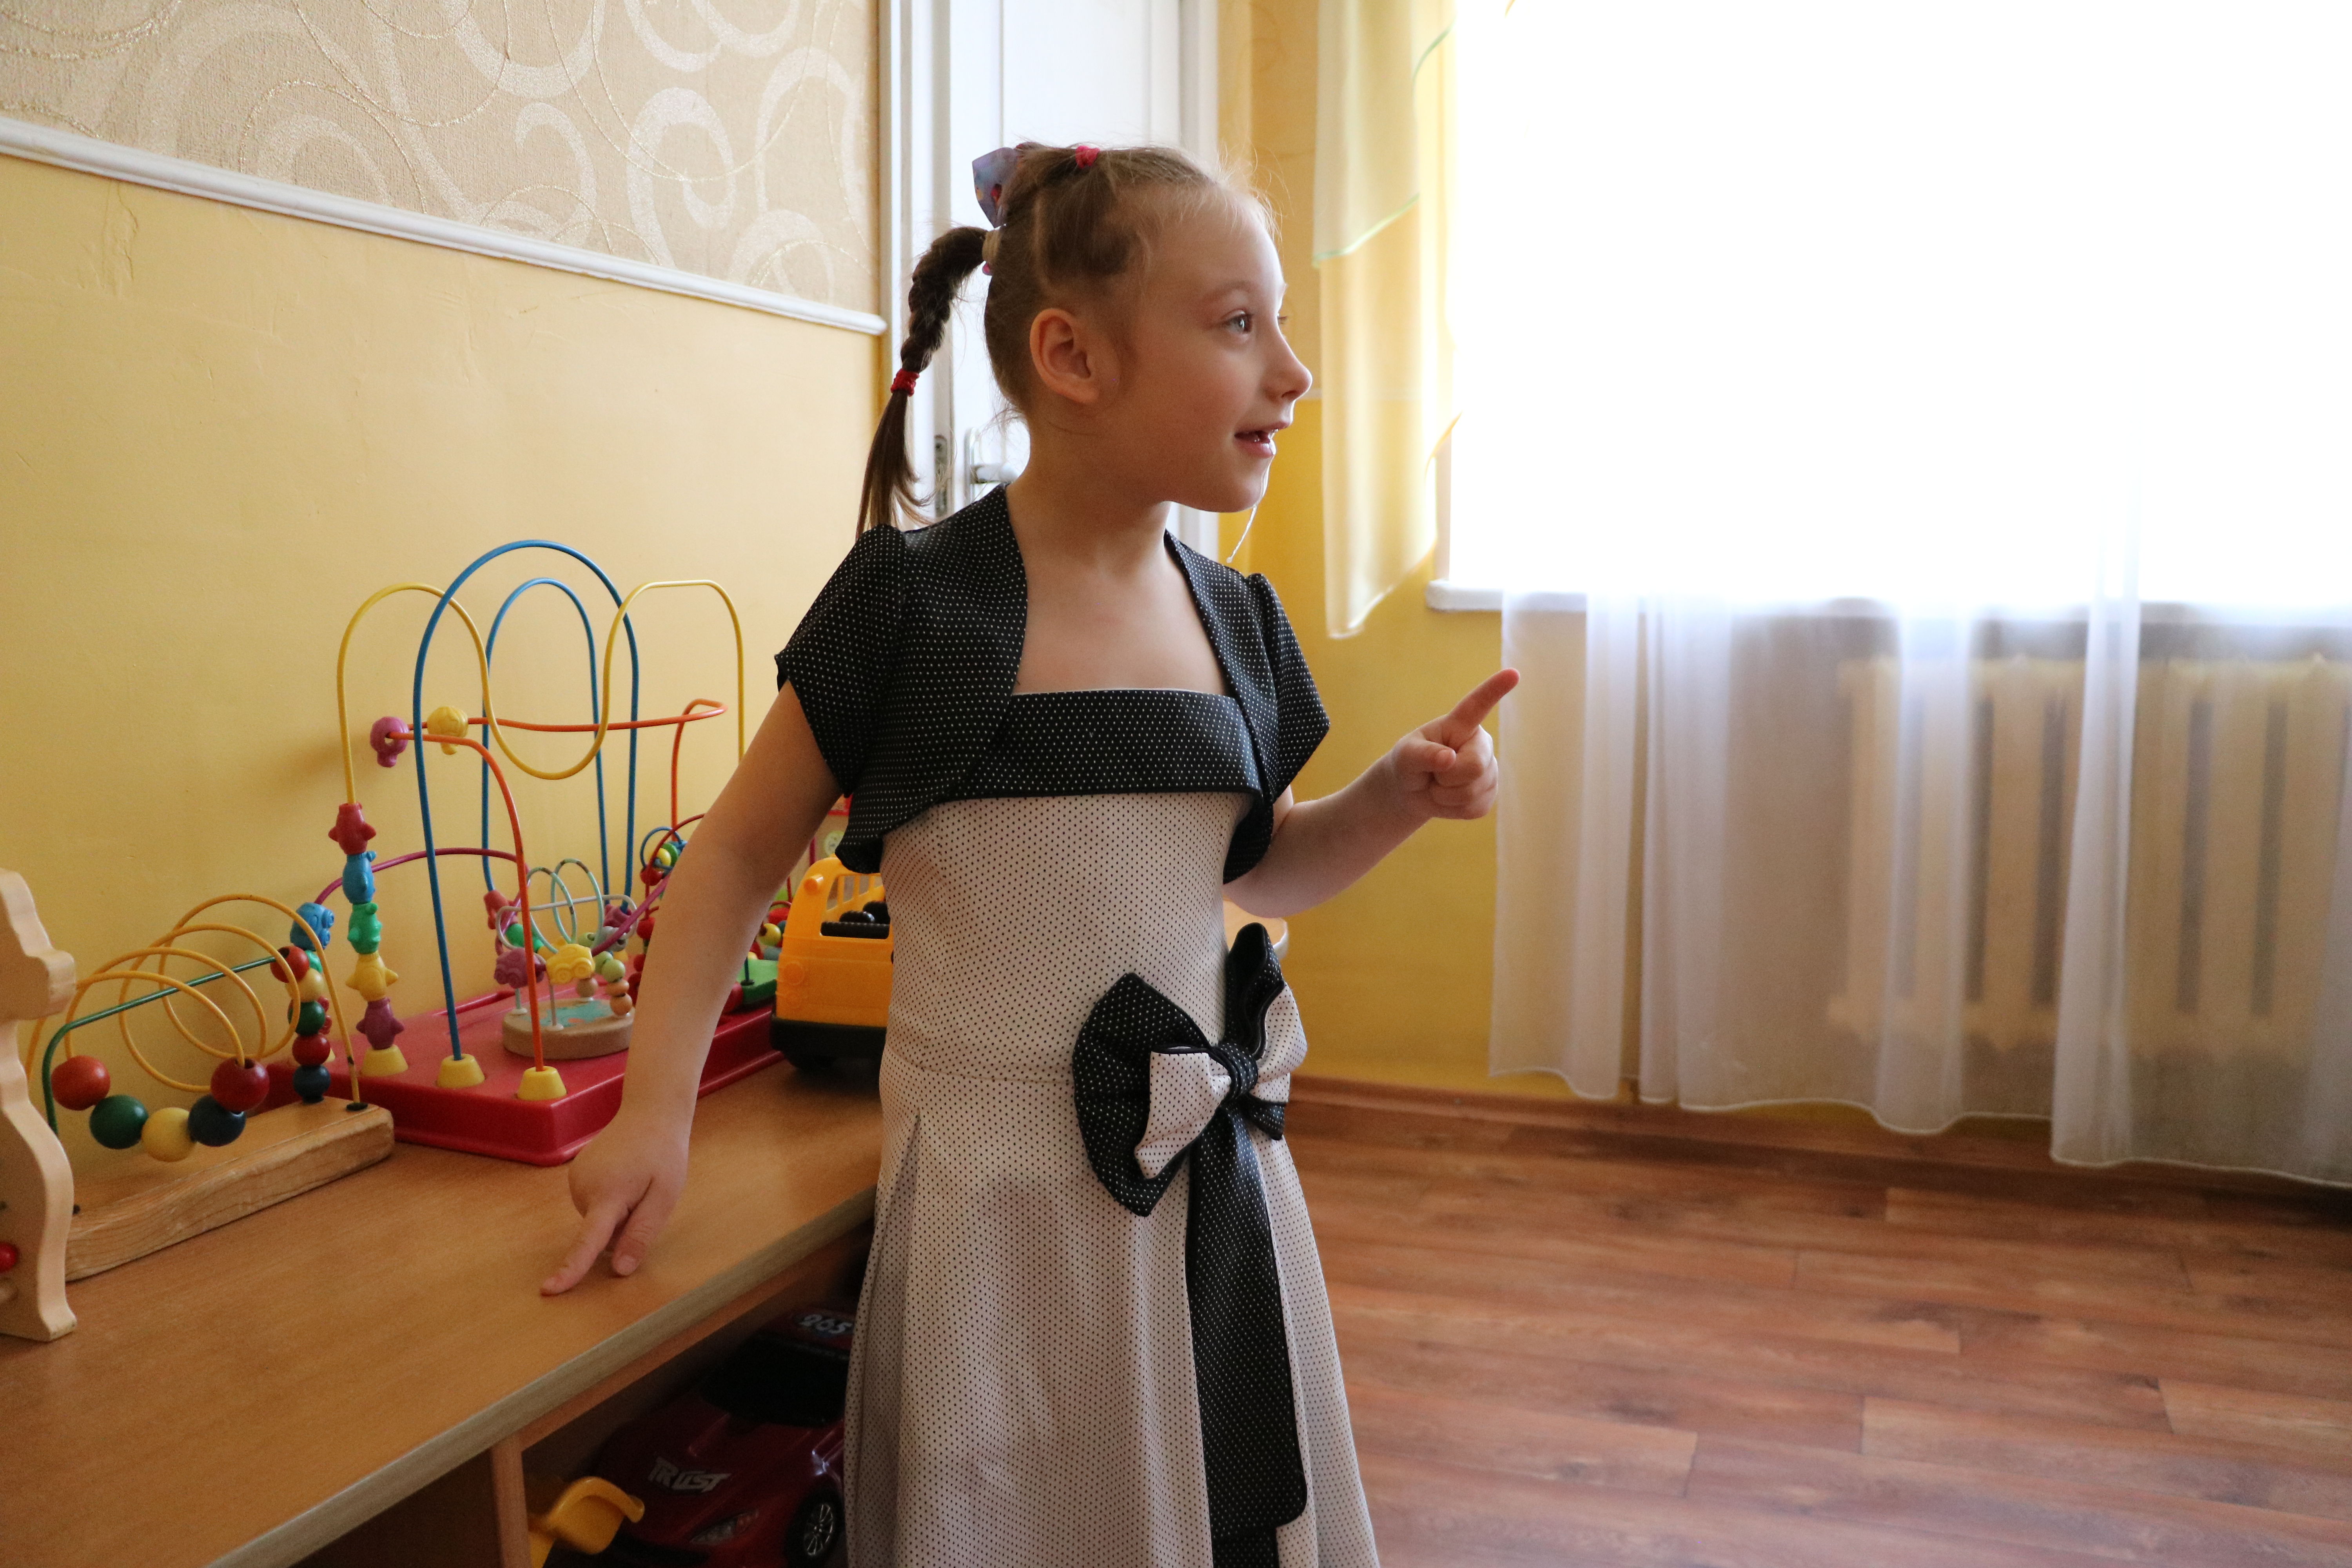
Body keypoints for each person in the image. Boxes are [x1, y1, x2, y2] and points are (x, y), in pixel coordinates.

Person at [541, 140, 1516, 1568]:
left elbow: (1258, 873)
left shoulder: (1239, 621)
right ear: (1073, 356)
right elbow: (736, 859)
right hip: (992, 1220)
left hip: (1201, 1192)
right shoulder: (913, 605)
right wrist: (654, 1113)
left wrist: (1396, 796)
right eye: (1239, 323)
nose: (1295, 372)